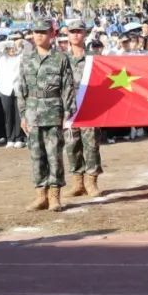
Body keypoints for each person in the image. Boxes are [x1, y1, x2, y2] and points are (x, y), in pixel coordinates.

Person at [18, 19, 76, 212]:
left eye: (43, 32)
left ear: (52, 34)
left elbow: (68, 87)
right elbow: (21, 88)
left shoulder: (61, 58)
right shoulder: (26, 58)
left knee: (54, 156)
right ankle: (40, 195)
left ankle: (54, 196)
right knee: (36, 155)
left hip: (53, 112)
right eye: (36, 32)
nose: (39, 35)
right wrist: (23, 114)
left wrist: (67, 112)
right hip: (32, 112)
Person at [63, 18, 103, 197]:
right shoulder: (62, 59)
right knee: (72, 145)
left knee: (91, 145)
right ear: (67, 35)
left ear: (85, 34)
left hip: (89, 107)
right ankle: (78, 182)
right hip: (69, 108)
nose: (76, 35)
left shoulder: (94, 58)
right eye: (72, 32)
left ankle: (91, 182)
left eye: (79, 31)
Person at [0, 32, 26, 148]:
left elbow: (30, 47)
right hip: (5, 88)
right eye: (10, 46)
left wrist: (21, 41)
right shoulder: (1, 56)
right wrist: (11, 42)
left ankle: (18, 137)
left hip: (18, 87)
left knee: (18, 113)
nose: (13, 49)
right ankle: (10, 138)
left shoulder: (21, 55)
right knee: (8, 114)